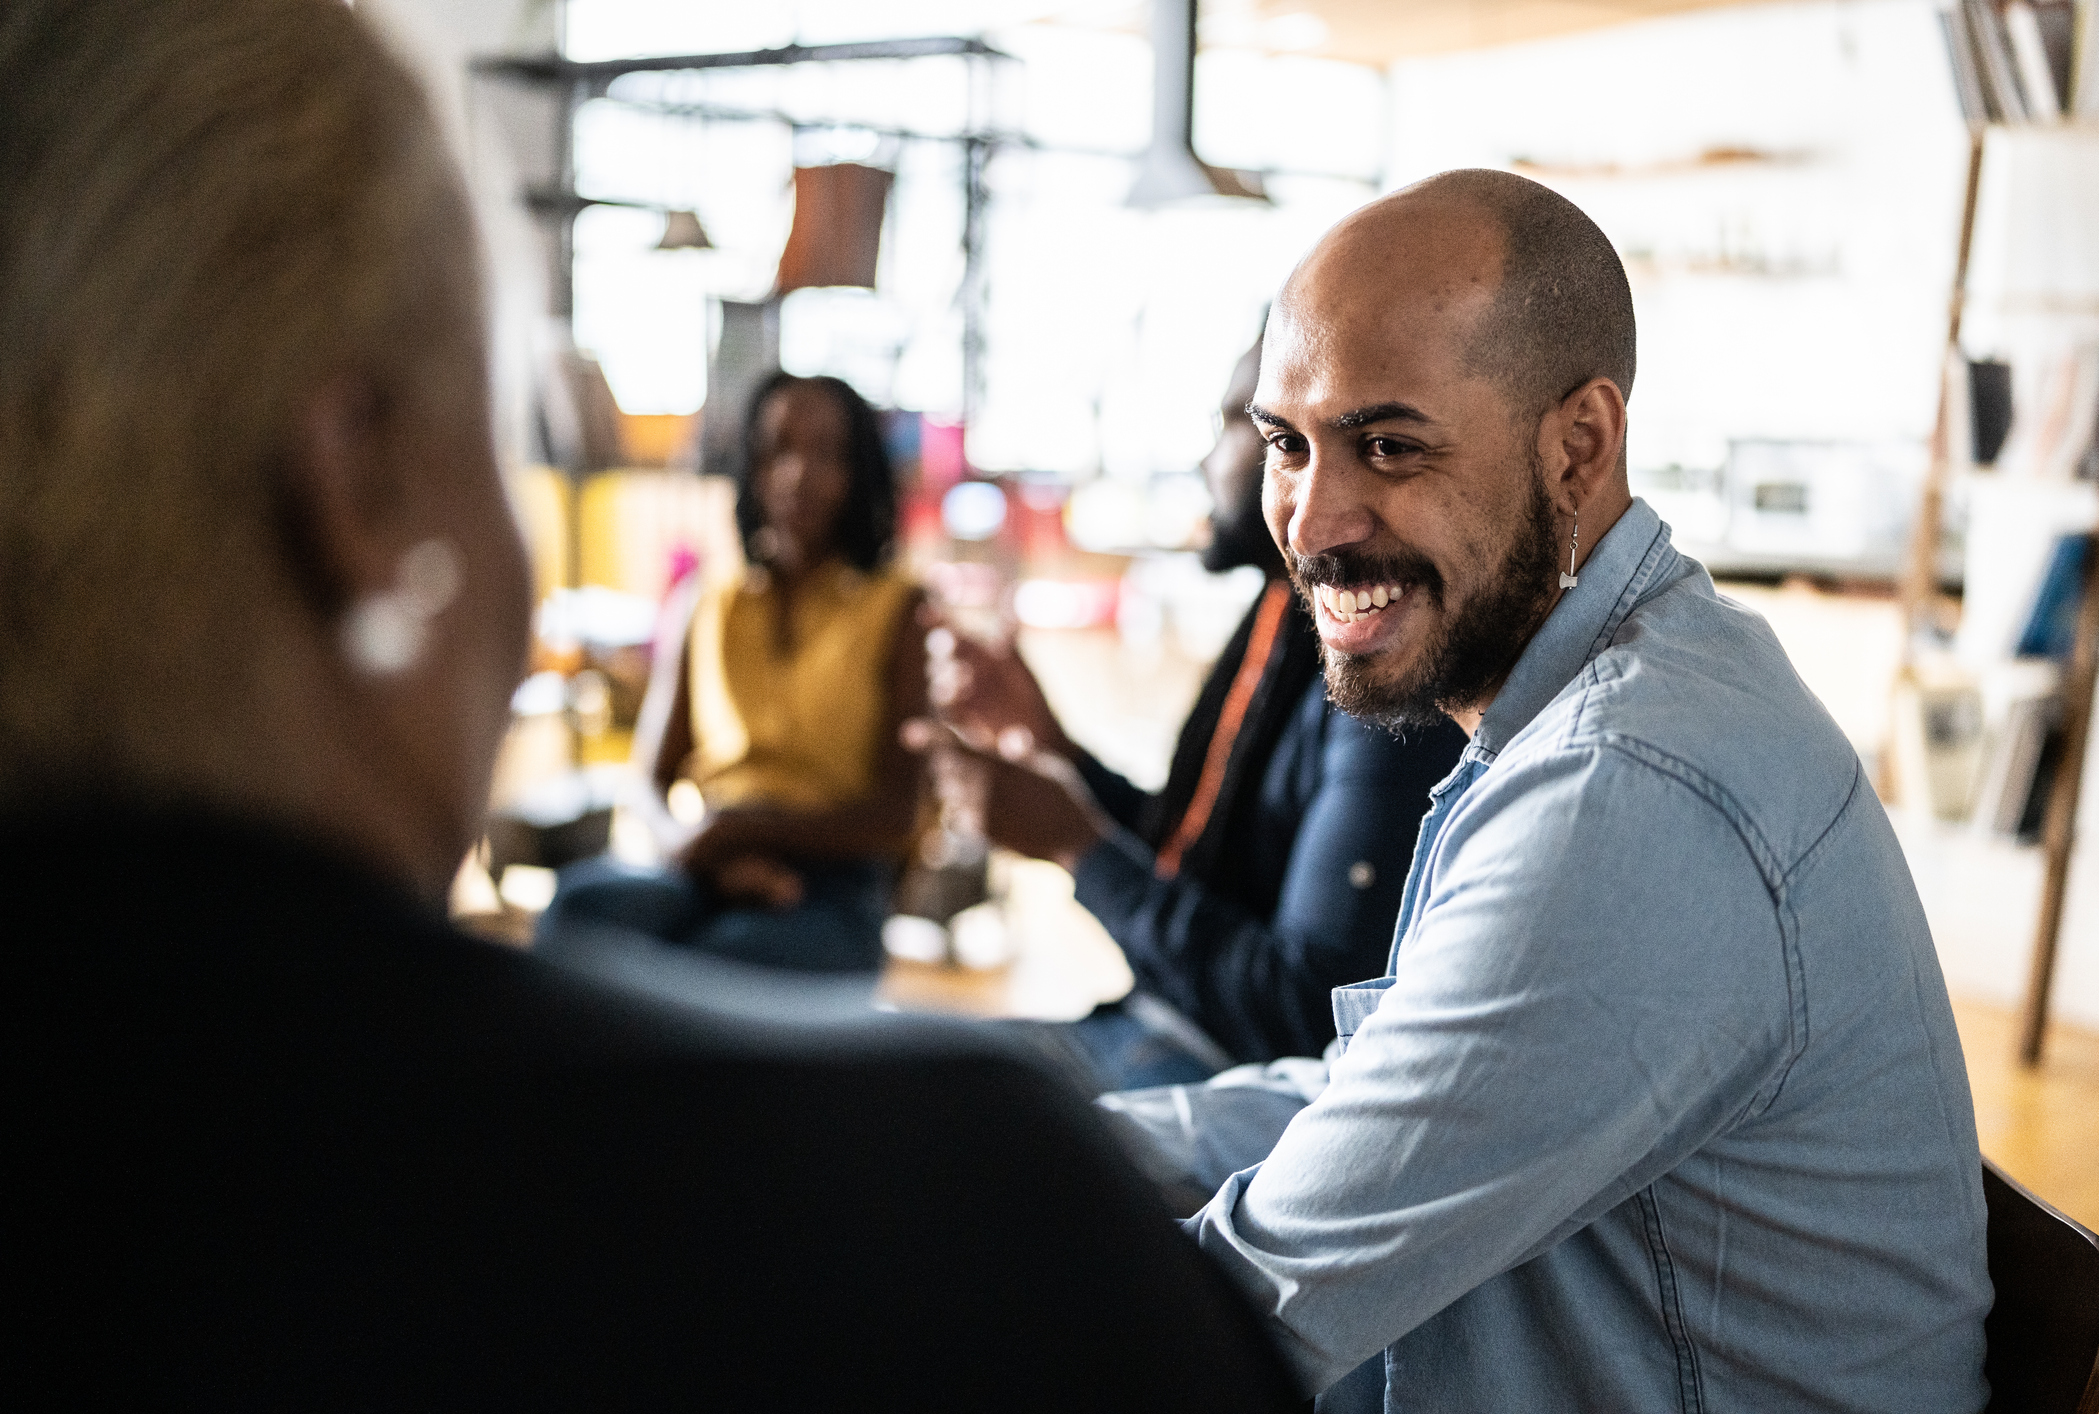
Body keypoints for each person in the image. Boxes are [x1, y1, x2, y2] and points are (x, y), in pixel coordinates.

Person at [0, 2, 1308, 1407]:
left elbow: (879, 804)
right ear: (359, 487)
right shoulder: (959, 1220)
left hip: (816, 902)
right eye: (501, 433)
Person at [961, 172, 1995, 1410]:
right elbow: (1382, 1094)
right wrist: (1038, 1155)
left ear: (1579, 446)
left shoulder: (1625, 792)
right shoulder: (1606, 689)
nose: (1315, 521)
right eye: (1290, 443)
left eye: (1389, 446)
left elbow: (1242, 1317)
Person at [930, 341, 1463, 1091]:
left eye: (1241, 427)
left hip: (1229, 1091)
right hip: (1156, 1026)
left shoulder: (1386, 676)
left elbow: (1301, 1011)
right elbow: (1200, 861)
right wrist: (1049, 745)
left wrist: (1075, 846)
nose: (1209, 459)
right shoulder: (1282, 614)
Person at [538, 371, 925, 974]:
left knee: (718, 966)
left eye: (827, 454)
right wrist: (698, 850)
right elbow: (645, 783)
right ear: (752, 465)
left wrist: (745, 832)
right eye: (779, 450)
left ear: (859, 472)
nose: (798, 473)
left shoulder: (901, 610)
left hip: (833, 885)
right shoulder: (706, 602)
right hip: (707, 865)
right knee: (576, 914)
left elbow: (897, 816)